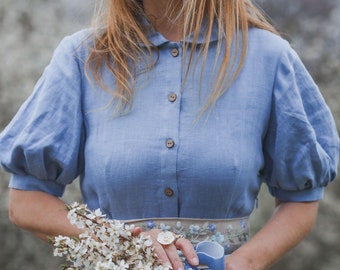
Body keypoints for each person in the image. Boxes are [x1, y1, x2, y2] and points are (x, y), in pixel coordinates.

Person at [0, 0, 339, 269]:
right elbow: (26, 202)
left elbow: (301, 199)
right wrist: (122, 244)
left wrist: (244, 263)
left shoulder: (268, 57)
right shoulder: (83, 57)